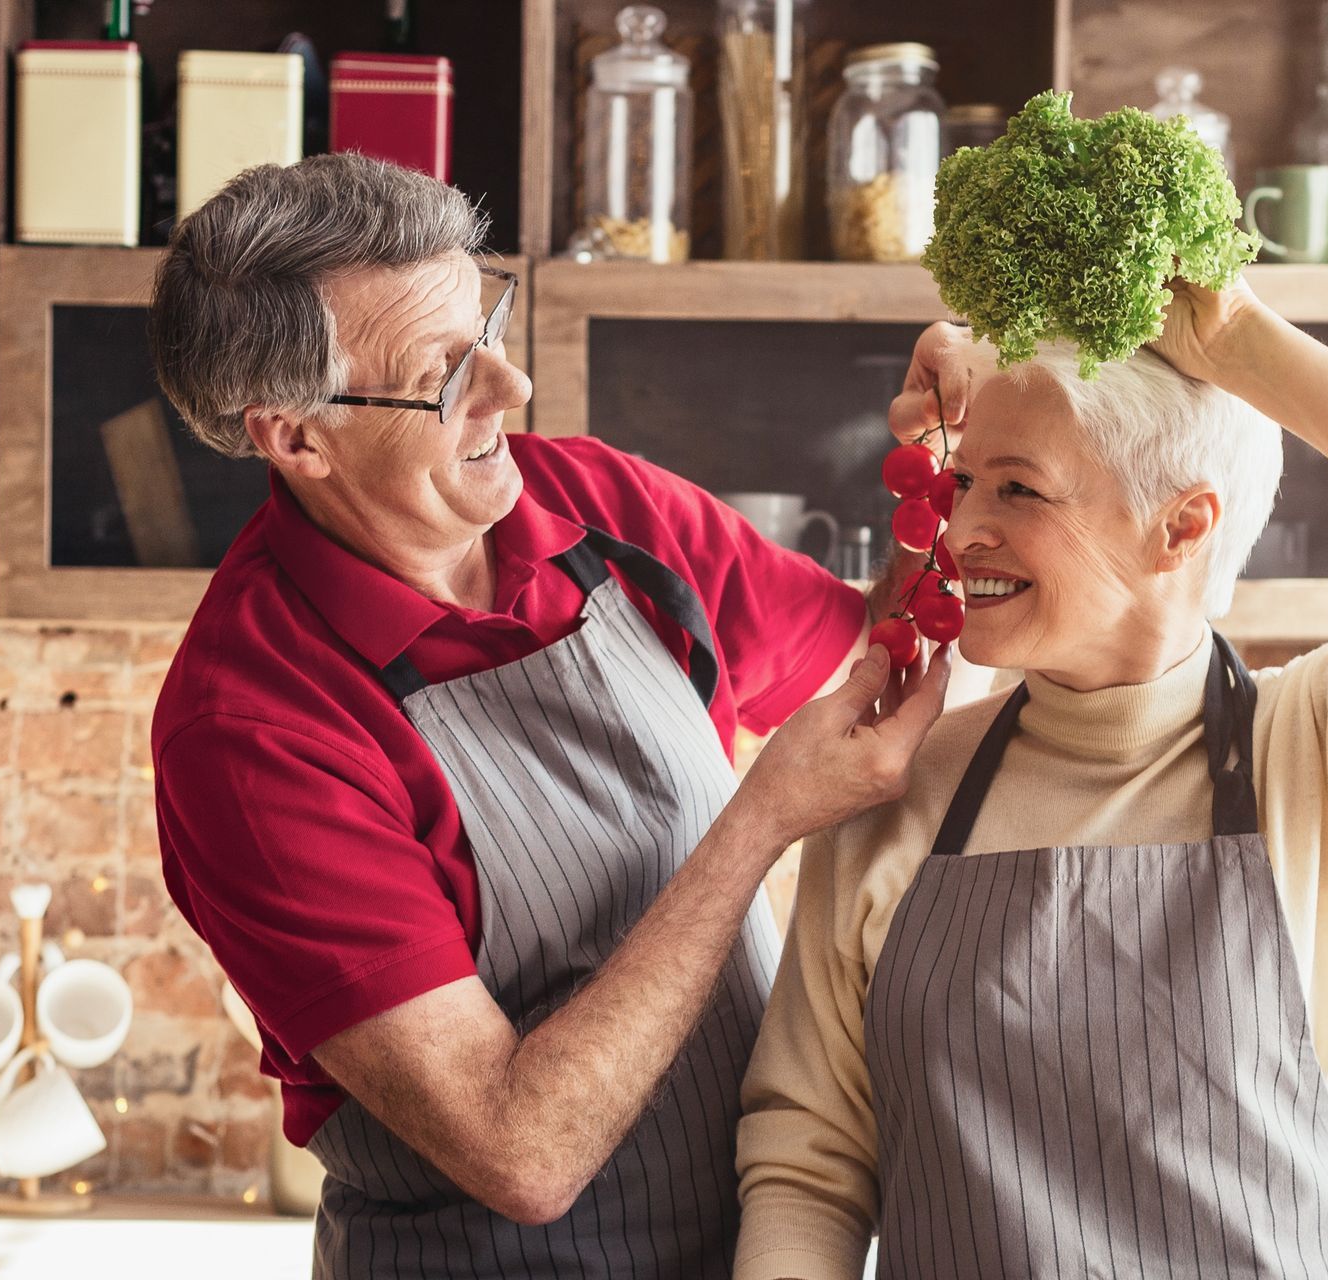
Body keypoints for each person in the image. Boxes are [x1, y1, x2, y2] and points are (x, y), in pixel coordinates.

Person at [146, 152, 957, 1278]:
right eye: (445, 370)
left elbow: (878, 646)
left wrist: (945, 455)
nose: (510, 387)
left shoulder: (594, 504)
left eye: (490, 322)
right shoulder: (253, 730)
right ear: (296, 436)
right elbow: (518, 1147)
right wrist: (759, 822)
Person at [734, 278, 1328, 1278]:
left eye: (1018, 487)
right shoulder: (895, 786)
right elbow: (810, 1162)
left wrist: (1242, 346)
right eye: (963, 480)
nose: (961, 524)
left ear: (1182, 528)